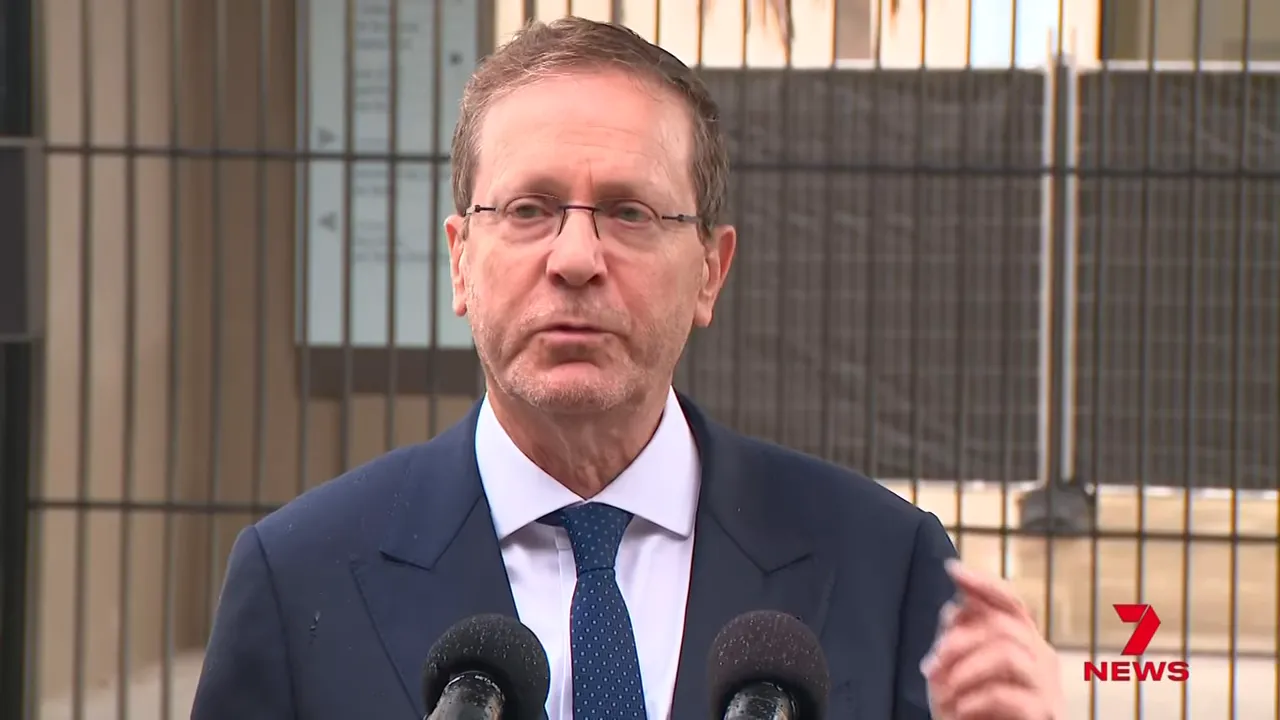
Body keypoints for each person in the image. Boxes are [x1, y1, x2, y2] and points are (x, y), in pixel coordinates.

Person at [191, 16, 1065, 720]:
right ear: (460, 261)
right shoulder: (299, 578)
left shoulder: (884, 566)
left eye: (630, 213)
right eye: (529, 208)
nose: (576, 258)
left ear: (711, 270)